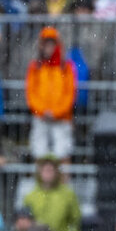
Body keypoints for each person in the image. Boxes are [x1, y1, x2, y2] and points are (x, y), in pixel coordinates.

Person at [25, 27, 76, 161]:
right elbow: (31, 93)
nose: (48, 48)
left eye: (51, 44)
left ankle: (63, 182)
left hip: (62, 118)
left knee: (63, 152)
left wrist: (56, 112)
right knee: (39, 152)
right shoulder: (35, 67)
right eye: (46, 44)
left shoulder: (66, 67)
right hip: (41, 117)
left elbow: (69, 94)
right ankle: (41, 181)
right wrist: (42, 111)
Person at [22, 157, 82, 231]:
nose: (48, 173)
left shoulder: (68, 195)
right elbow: (25, 221)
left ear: (57, 172)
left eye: (50, 170)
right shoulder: (30, 196)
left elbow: (76, 221)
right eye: (45, 170)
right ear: (39, 172)